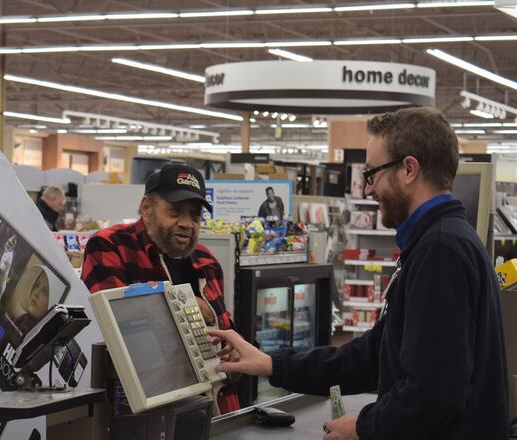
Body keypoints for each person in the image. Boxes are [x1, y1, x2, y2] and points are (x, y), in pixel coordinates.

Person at [207, 107, 508, 439]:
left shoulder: (440, 250)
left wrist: (365, 426)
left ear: (409, 169)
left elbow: (435, 394)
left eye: (372, 174)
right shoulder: (438, 242)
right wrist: (272, 364)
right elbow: (373, 355)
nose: (367, 190)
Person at [81, 163, 240, 414]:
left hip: (218, 408)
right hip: (151, 412)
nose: (187, 224)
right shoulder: (111, 246)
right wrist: (188, 308)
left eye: (195, 216)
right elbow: (119, 328)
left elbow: (227, 333)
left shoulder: (206, 261)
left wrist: (235, 357)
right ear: (147, 208)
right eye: (175, 211)